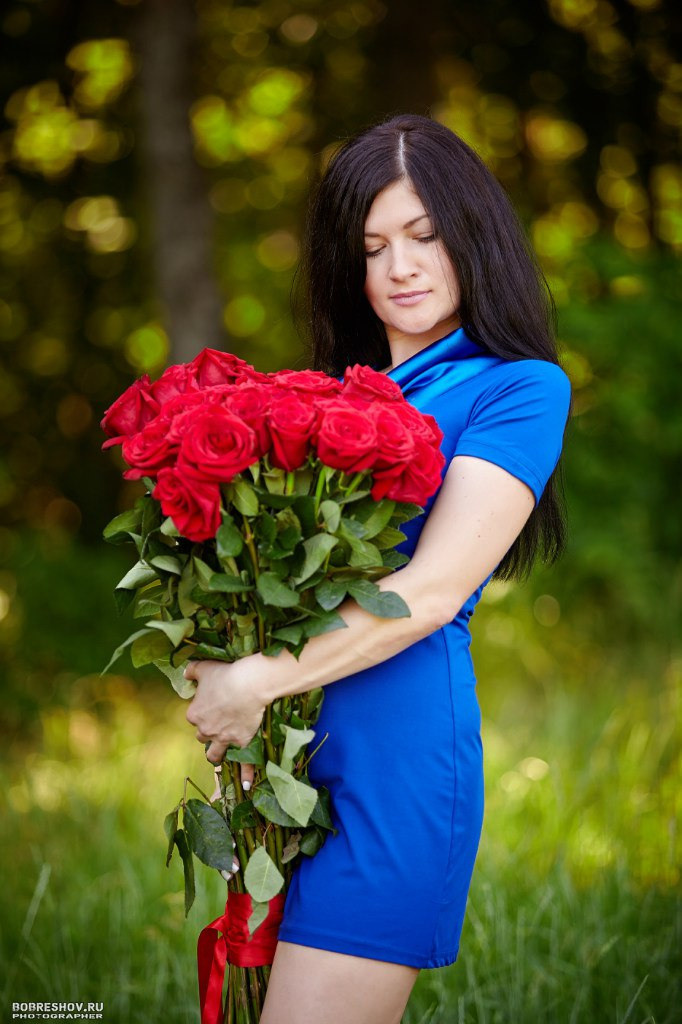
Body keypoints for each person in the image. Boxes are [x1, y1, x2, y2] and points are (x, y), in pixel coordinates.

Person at [183, 113, 571, 1024]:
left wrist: (257, 680)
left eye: (425, 235)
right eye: (373, 246)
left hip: (397, 767)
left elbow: (432, 590)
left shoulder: (516, 386)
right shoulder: (332, 401)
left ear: (473, 236)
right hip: (290, 761)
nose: (401, 266)